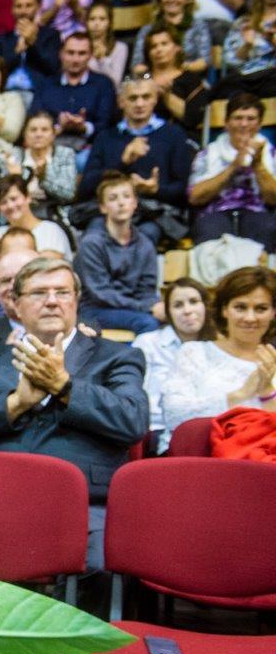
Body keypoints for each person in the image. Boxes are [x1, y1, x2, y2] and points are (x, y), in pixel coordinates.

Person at [0, 256, 149, 572]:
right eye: (40, 293)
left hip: (84, 503)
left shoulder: (117, 357)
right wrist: (16, 403)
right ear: (16, 304)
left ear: (76, 300)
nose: (53, 302)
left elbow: (132, 421)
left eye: (63, 292)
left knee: (99, 566)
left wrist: (64, 386)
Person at [161, 266, 276, 445]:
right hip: (199, 460)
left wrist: (267, 392)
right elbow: (173, 415)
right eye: (240, 307)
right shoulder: (194, 353)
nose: (250, 318)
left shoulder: (273, 363)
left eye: (261, 309)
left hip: (260, 463)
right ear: (224, 310)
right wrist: (241, 394)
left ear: (273, 313)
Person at [78, 77, 193, 244]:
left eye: (146, 97)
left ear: (155, 99)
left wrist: (155, 190)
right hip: (109, 213)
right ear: (121, 102)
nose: (139, 104)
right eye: (133, 98)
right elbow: (85, 188)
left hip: (155, 214)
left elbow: (183, 191)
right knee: (92, 238)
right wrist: (122, 162)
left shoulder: (174, 135)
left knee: (140, 239)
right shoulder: (106, 137)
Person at [133, 278, 214, 453]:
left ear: (206, 306)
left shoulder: (219, 347)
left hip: (210, 431)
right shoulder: (148, 343)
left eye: (194, 302)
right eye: (178, 305)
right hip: (158, 430)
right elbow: (135, 397)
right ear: (168, 313)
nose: (187, 310)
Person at [188, 92, 276, 251]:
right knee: (207, 233)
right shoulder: (207, 154)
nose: (244, 124)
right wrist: (233, 167)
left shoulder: (272, 154)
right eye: (238, 118)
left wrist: (258, 165)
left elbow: (273, 199)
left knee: (267, 230)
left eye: (251, 119)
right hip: (216, 213)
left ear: (260, 124)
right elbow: (195, 197)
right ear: (226, 123)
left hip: (258, 213)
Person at [76, 173, 161, 334]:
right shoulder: (91, 243)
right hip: (95, 309)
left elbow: (146, 291)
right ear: (103, 207)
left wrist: (158, 307)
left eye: (126, 196)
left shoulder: (145, 244)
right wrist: (146, 307)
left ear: (135, 203)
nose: (121, 203)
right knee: (148, 323)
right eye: (113, 198)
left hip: (132, 308)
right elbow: (101, 293)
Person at [34, 33, 117, 150]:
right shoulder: (45, 85)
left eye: (82, 53)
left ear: (90, 55)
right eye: (70, 53)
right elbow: (35, 119)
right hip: (51, 147)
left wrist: (83, 127)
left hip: (89, 148)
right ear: (61, 54)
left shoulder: (103, 84)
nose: (75, 59)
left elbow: (107, 125)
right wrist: (59, 127)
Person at [0, 175, 74, 265]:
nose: (10, 206)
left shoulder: (51, 231)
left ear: (27, 197)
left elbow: (47, 268)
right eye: (3, 202)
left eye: (14, 199)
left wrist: (4, 254)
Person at [0, 0, 62, 93]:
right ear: (12, 9)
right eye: (18, 6)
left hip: (37, 94)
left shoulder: (51, 36)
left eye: (28, 6)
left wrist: (32, 43)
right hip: (5, 93)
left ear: (38, 6)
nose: (23, 11)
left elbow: (53, 68)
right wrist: (16, 52)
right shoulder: (0, 40)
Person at [7, 111, 78, 220]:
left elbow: (69, 194)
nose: (38, 134)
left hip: (54, 217)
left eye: (44, 130)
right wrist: (16, 178)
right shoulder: (15, 155)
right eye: (33, 130)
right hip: (19, 216)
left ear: (53, 135)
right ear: (24, 134)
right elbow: (4, 195)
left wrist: (44, 177)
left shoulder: (65, 154)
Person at [223, 0, 276, 76]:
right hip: (245, 77)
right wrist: (247, 46)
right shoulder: (243, 22)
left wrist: (272, 42)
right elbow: (230, 61)